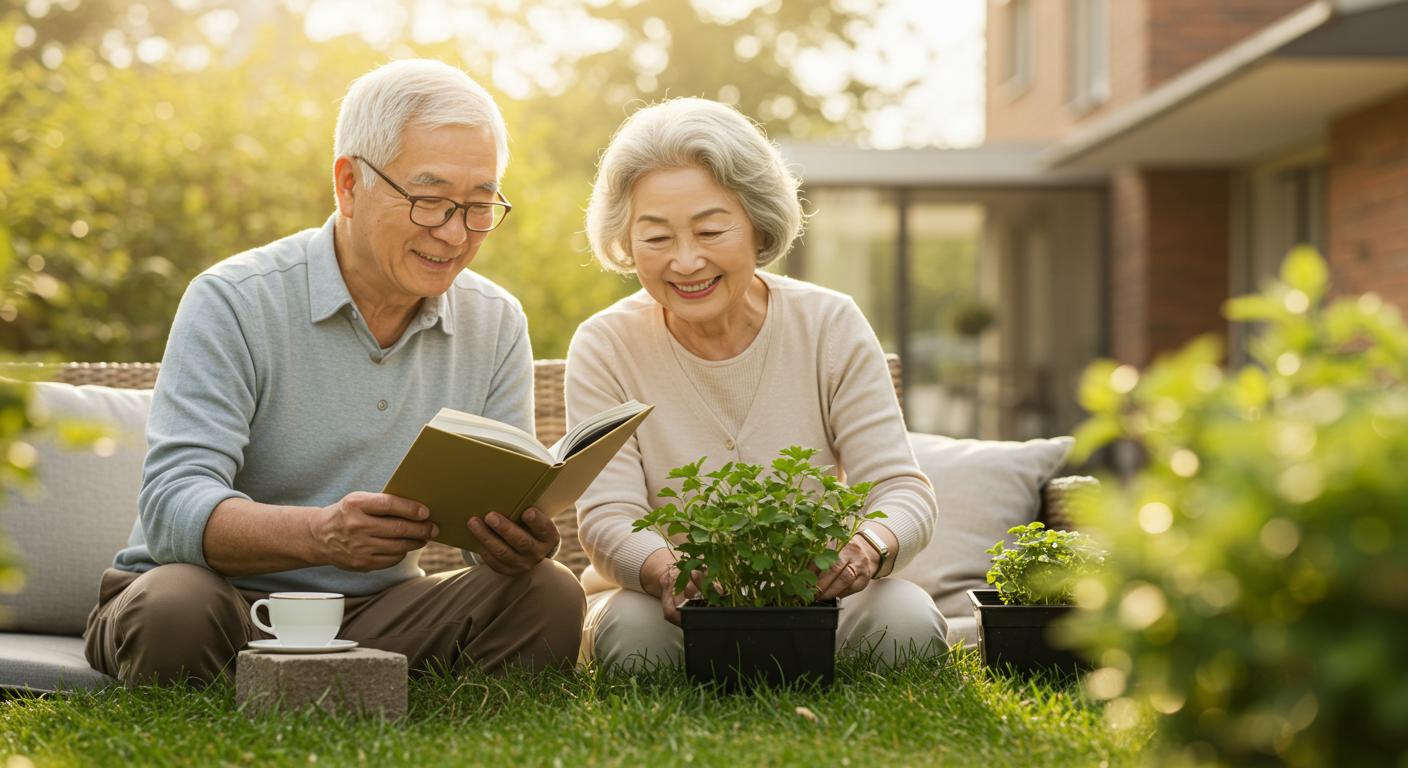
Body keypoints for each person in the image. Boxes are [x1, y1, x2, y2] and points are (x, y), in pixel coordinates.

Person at [84, 60, 585, 686]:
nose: (455, 234)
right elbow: (170, 506)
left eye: (479, 206)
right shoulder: (234, 300)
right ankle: (306, 696)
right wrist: (319, 535)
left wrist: (513, 541)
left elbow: (482, 530)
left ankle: (363, 698)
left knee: (549, 592)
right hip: (220, 600)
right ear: (349, 185)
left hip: (380, 612)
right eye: (429, 202)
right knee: (174, 611)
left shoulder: (495, 320)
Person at [566, 98, 948, 670]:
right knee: (635, 642)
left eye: (710, 230)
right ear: (626, 240)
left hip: (814, 598)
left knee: (907, 624)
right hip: (668, 604)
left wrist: (866, 548)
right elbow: (607, 517)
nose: (686, 262)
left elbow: (900, 489)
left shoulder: (829, 324)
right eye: (657, 238)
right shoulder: (605, 344)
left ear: (758, 223)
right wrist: (667, 571)